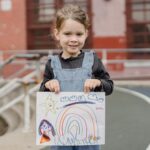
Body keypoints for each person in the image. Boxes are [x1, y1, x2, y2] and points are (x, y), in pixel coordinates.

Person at [39, 4, 113, 150]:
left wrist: (98, 82)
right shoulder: (51, 64)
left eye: (79, 34)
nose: (73, 39)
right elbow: (43, 93)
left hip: (88, 130)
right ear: (57, 34)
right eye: (67, 34)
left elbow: (109, 86)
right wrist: (48, 85)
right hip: (60, 130)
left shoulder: (93, 60)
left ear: (86, 33)